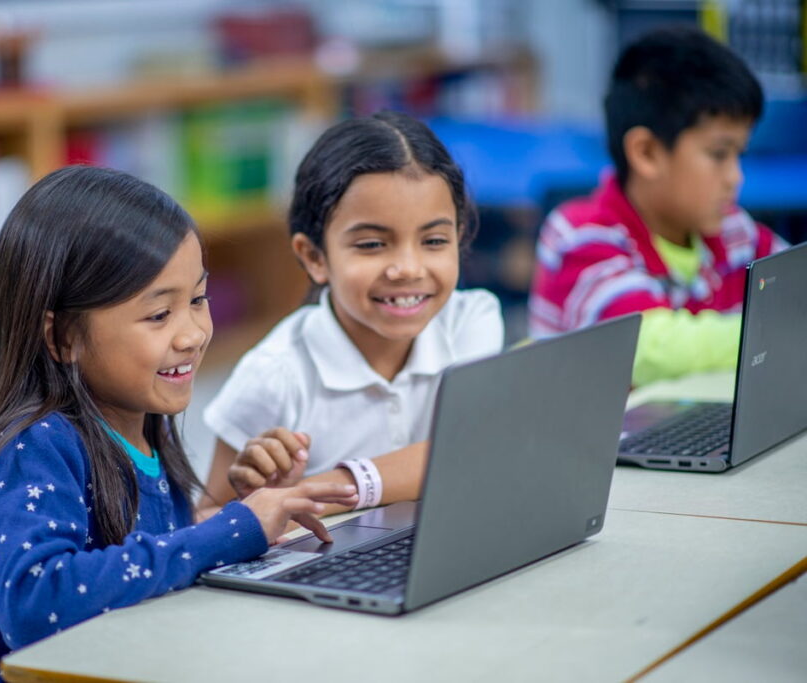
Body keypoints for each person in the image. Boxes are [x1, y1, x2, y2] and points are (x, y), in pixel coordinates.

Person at [0, 166, 356, 681]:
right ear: (62, 336)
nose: (194, 334)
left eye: (197, 300)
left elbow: (142, 560)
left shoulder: (144, 427)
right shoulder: (33, 446)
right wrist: (229, 531)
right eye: (159, 315)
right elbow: (35, 604)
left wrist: (240, 511)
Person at [200, 111, 504, 517]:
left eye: (433, 240)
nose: (408, 269)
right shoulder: (273, 376)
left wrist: (312, 492)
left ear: (459, 238)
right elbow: (205, 520)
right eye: (372, 245)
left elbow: (469, 449)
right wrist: (257, 500)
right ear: (314, 257)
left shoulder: (471, 320)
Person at [528, 26, 787, 386]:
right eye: (718, 154)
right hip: (603, 440)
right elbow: (647, 349)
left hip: (692, 427)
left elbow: (794, 292)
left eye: (739, 155)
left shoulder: (734, 233)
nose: (735, 177)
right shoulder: (580, 236)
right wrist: (779, 333)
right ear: (647, 152)